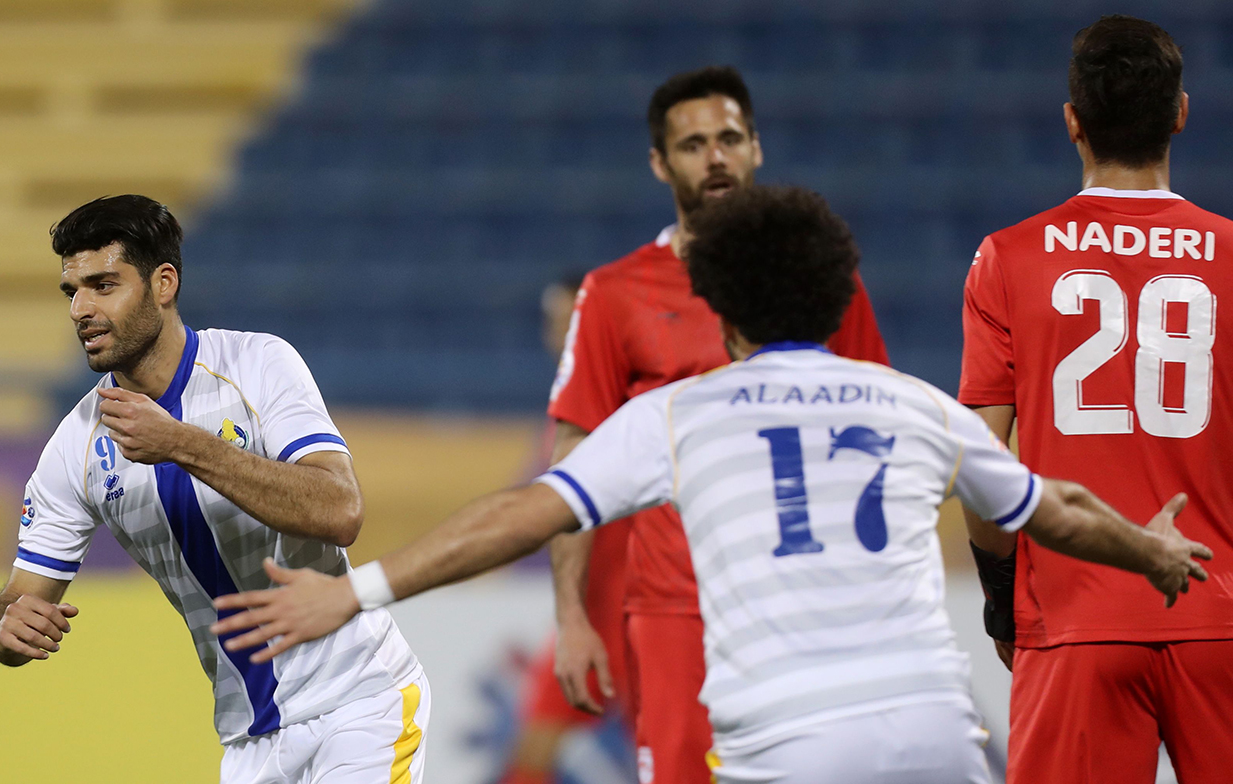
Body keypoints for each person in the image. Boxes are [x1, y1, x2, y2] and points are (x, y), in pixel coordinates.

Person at [212, 185, 1211, 784]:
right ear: (836, 298)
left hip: (786, 744)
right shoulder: (910, 404)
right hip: (933, 738)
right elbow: (1052, 506)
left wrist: (356, 591)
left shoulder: (681, 416)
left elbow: (521, 513)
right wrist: (1151, 549)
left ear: (722, 312)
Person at [0, 196, 428, 783]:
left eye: (104, 285)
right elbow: (16, 601)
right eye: (72, 292)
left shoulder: (257, 364)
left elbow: (340, 510)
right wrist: (3, 630)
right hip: (247, 742)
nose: (81, 309)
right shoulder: (75, 445)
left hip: (358, 704)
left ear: (163, 283)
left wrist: (183, 444)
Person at [546, 65, 888, 784]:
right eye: (693, 144)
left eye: (729, 138)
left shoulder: (824, 279)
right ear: (659, 163)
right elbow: (573, 461)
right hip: (678, 609)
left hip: (810, 598)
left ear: (756, 147)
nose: (715, 157)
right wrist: (571, 616)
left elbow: (874, 429)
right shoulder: (614, 294)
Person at [959, 16, 1233, 782]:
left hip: (1074, 618)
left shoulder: (1008, 258)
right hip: (1220, 617)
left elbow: (980, 465)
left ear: (1073, 121)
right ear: (1180, 114)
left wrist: (1001, 599)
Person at [500, 272, 634, 784]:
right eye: (554, 321)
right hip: (590, 613)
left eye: (571, 320)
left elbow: (563, 511)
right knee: (530, 754)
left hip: (639, 613)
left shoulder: (622, 402)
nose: (559, 333)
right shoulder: (569, 404)